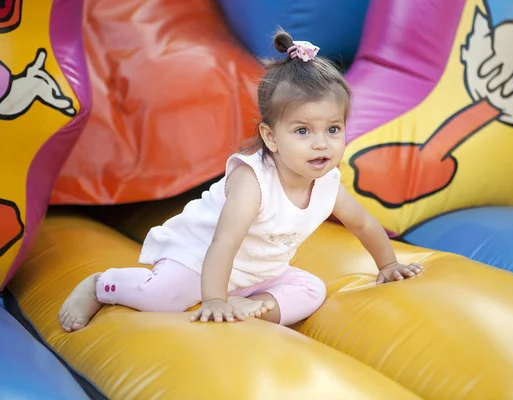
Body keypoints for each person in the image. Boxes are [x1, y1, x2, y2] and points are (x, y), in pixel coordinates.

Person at [58, 29, 424, 332]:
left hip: (258, 273)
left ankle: (255, 308)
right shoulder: (254, 182)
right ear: (271, 137)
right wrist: (214, 300)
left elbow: (363, 223)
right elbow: (224, 242)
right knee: (161, 299)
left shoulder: (328, 182)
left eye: (333, 129)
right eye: (302, 130)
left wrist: (388, 265)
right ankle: (101, 286)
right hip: (199, 259)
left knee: (311, 290)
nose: (321, 143)